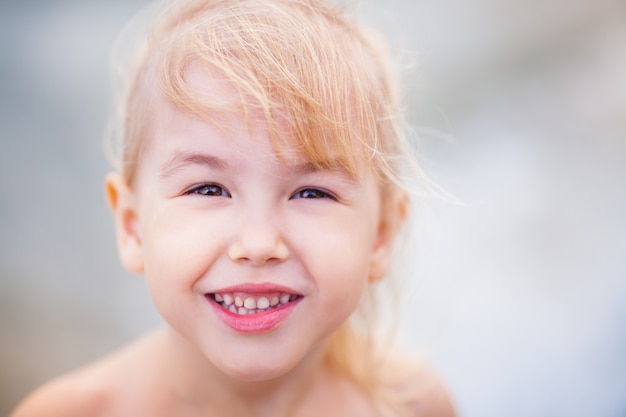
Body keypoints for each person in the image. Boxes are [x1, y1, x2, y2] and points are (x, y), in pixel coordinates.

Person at [11, 0, 455, 416]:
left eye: (311, 193)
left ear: (381, 234)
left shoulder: (408, 405)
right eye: (208, 189)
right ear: (132, 227)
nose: (258, 244)